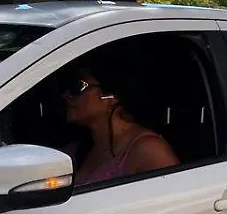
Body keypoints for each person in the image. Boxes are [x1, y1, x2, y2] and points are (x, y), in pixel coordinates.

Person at [61, 53, 180, 186]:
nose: (66, 95)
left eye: (77, 88)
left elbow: (178, 194)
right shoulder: (76, 150)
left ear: (111, 96)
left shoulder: (148, 150)